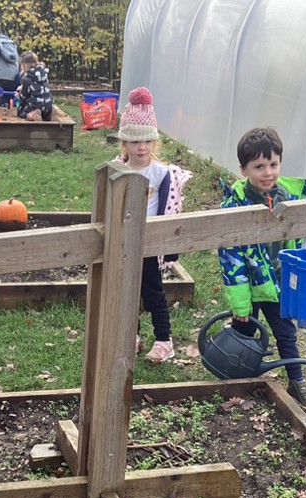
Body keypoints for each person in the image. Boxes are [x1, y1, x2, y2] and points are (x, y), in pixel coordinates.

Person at [217, 126, 306, 414]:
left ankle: (297, 382)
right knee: (245, 331)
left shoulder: (291, 198)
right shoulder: (236, 205)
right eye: (259, 166)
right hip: (249, 287)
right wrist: (240, 303)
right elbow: (232, 258)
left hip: (278, 284)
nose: (268, 173)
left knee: (286, 333)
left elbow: (300, 243)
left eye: (273, 164)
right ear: (243, 169)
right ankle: (238, 379)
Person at [117, 86, 183, 364]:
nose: (141, 147)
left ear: (154, 142)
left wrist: (169, 249)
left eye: (146, 140)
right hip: (124, 243)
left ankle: (164, 340)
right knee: (125, 291)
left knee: (153, 292)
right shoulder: (117, 169)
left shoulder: (161, 174)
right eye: (135, 141)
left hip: (149, 245)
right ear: (125, 143)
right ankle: (131, 335)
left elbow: (172, 209)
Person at [16, 51, 53, 122]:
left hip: (36, 105)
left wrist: (19, 95)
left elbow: (23, 97)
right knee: (44, 104)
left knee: (20, 112)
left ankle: (32, 115)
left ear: (25, 65)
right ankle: (47, 114)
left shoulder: (27, 78)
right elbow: (38, 87)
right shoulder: (44, 73)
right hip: (48, 104)